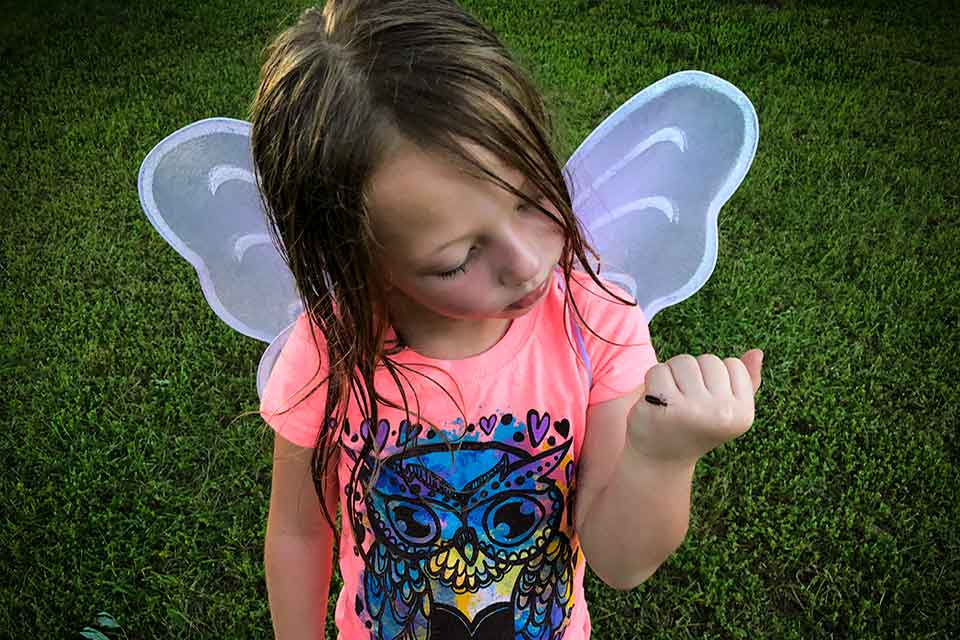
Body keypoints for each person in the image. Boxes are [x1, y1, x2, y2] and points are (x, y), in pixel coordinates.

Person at [252, 1, 764, 638]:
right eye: (459, 258)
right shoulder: (328, 350)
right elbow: (300, 533)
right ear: (362, 263)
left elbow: (620, 561)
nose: (526, 263)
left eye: (531, 198)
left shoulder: (596, 322)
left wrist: (661, 457)